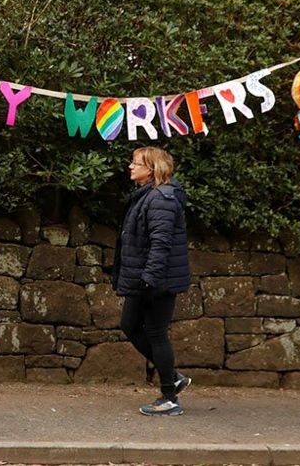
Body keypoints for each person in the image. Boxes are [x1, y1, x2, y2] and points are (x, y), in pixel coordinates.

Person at [111, 146, 192, 417]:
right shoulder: (150, 196)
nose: (130, 167)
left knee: (156, 333)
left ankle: (169, 397)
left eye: (136, 163)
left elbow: (161, 243)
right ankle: (174, 378)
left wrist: (149, 278)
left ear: (152, 169)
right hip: (146, 278)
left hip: (157, 281)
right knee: (130, 324)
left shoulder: (162, 198)